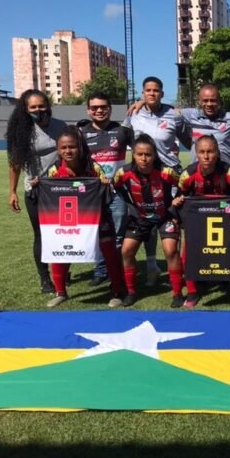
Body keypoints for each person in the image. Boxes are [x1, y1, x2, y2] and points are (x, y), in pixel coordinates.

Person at [40, 127, 126, 308]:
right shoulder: (54, 170)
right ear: (58, 149)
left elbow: (107, 191)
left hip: (97, 218)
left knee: (110, 252)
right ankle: (61, 292)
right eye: (63, 148)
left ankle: (117, 291)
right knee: (60, 253)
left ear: (80, 147)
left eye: (72, 147)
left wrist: (105, 184)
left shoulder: (93, 167)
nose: (67, 151)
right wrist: (37, 184)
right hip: (68, 220)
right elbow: (47, 192)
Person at [124, 77, 191, 287]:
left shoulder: (175, 116)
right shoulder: (133, 114)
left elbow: (189, 142)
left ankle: (181, 273)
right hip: (143, 175)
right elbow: (126, 141)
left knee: (169, 220)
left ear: (162, 93)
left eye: (156, 90)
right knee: (146, 220)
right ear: (143, 93)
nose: (152, 94)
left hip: (169, 176)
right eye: (148, 90)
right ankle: (152, 265)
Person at [6, 89, 67, 294]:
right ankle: (45, 278)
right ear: (26, 109)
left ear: (48, 105)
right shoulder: (21, 130)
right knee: (41, 235)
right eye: (33, 107)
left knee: (64, 233)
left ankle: (63, 268)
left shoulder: (61, 126)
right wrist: (12, 191)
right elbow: (15, 163)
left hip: (60, 189)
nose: (38, 110)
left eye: (41, 105)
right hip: (35, 190)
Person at [113, 134, 185, 308]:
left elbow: (184, 185)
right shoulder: (124, 172)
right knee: (126, 251)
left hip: (165, 216)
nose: (144, 158)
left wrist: (177, 201)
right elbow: (116, 186)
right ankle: (131, 292)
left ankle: (177, 293)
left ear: (155, 155)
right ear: (134, 155)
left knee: (170, 251)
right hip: (141, 217)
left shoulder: (166, 172)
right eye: (140, 154)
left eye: (148, 154)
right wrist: (131, 204)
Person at [176, 133, 230, 307]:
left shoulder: (228, 172)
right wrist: (178, 202)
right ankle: (192, 291)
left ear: (218, 153)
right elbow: (179, 197)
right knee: (188, 254)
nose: (206, 156)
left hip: (223, 222)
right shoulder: (188, 175)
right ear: (196, 153)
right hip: (197, 222)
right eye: (202, 152)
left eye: (210, 151)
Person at [77, 92, 133, 286]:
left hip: (117, 192)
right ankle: (101, 270)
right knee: (96, 233)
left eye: (103, 107)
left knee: (117, 233)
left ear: (110, 108)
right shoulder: (82, 133)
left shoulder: (123, 131)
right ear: (88, 110)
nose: (99, 110)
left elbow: (142, 152)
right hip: (93, 194)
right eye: (94, 108)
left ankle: (114, 270)